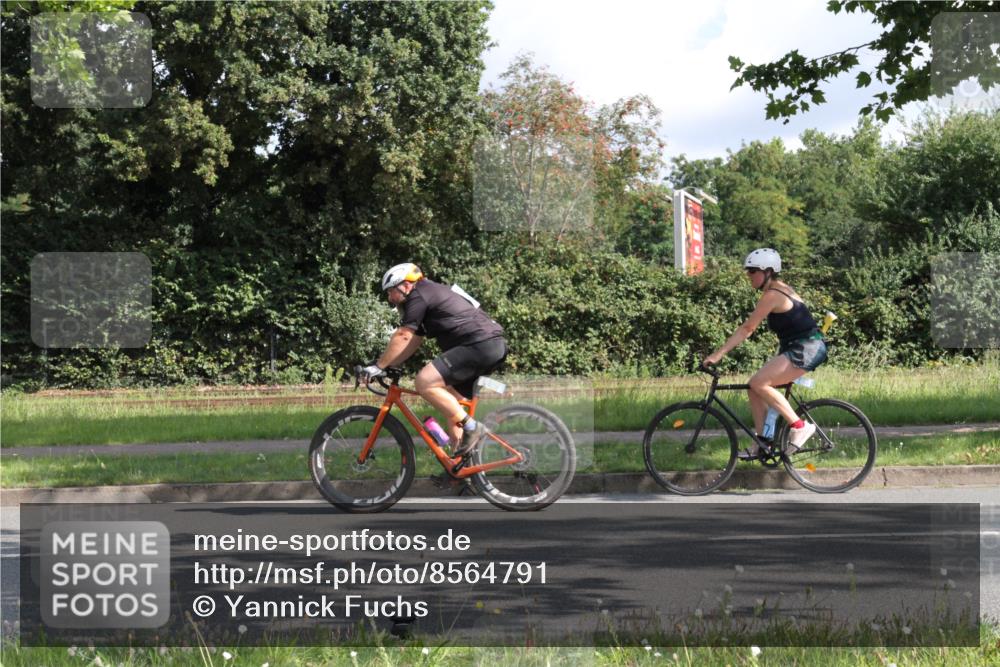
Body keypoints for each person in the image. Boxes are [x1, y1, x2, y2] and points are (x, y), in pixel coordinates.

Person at [361, 263, 508, 457]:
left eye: (391, 292)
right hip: (490, 345)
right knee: (452, 401)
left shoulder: (417, 294)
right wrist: (390, 364)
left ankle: (473, 428)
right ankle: (459, 468)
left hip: (479, 344)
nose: (390, 298)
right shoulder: (429, 293)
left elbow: (404, 335)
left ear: (405, 285)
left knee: (424, 382)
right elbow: (413, 341)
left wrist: (378, 366)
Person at [702, 248, 828, 459]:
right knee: (754, 387)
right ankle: (763, 442)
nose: (748, 275)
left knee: (759, 383)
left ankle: (799, 426)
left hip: (806, 348)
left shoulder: (773, 294)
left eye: (752, 271)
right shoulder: (780, 289)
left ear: (767, 272)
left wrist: (717, 355)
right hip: (800, 347)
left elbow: (747, 329)